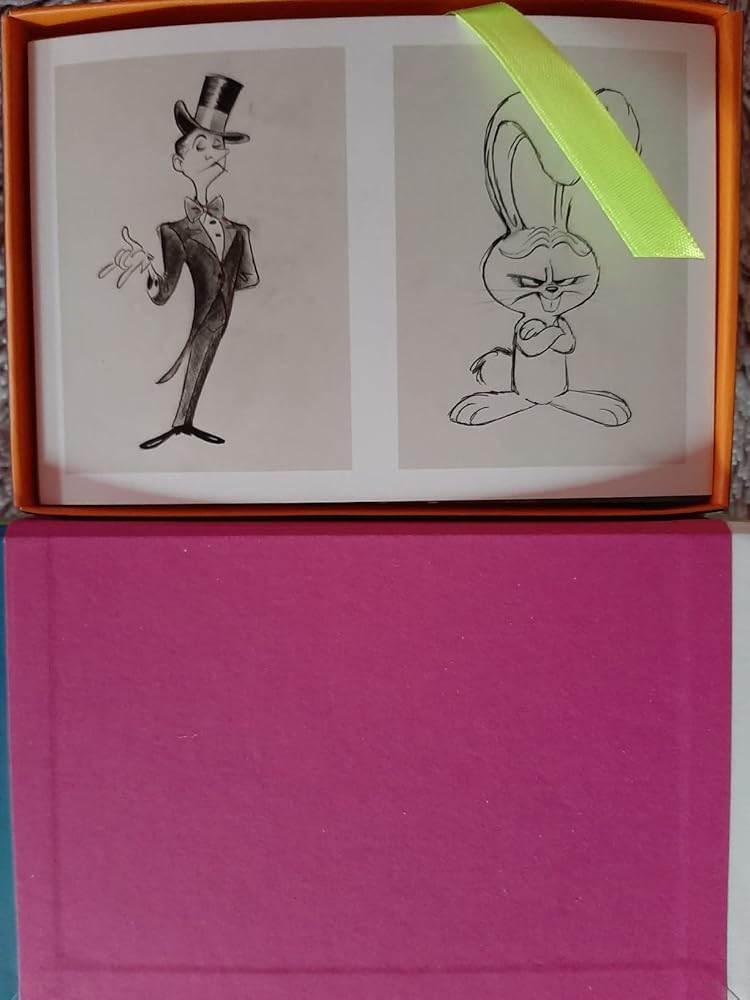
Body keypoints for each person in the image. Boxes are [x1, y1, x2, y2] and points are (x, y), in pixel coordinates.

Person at [99, 74, 259, 448]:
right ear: (179, 161)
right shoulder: (174, 231)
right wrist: (148, 269)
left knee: (205, 358)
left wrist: (221, 282)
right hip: (199, 315)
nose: (212, 153)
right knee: (192, 354)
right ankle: (180, 421)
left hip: (220, 313)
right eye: (200, 145)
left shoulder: (238, 231)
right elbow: (164, 292)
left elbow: (249, 278)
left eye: (217, 145)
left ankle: (184, 421)